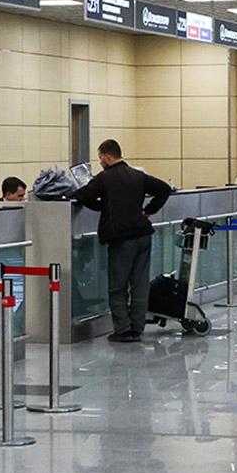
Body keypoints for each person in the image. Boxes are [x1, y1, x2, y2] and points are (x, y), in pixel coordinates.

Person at [72, 139, 172, 343]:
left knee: (118, 286)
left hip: (121, 238)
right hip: (143, 235)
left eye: (101, 158)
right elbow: (164, 189)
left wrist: (100, 205)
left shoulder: (104, 178)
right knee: (140, 284)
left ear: (107, 157)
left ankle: (123, 330)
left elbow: (82, 195)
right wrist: (148, 210)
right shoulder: (138, 175)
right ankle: (137, 328)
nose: (101, 162)